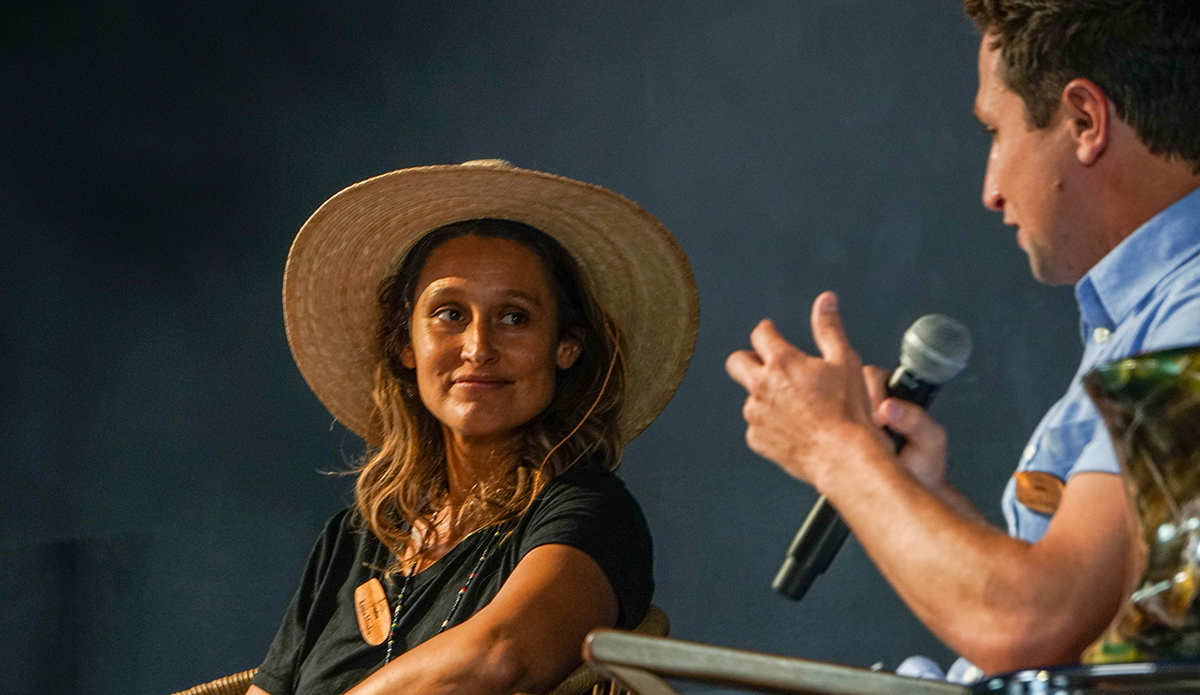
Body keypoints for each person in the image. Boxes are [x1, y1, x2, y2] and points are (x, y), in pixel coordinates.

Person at [726, 0, 1200, 677]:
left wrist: (836, 448)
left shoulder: (1192, 317)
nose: (991, 189)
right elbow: (1106, 619)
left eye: (994, 131)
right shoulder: (1149, 318)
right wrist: (903, 484)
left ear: (1084, 121)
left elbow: (1032, 623)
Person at [249, 160, 697, 695]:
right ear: (404, 345)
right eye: (449, 314)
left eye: (514, 317)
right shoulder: (353, 538)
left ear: (566, 348)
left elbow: (501, 657)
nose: (478, 348)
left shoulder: (590, 513)